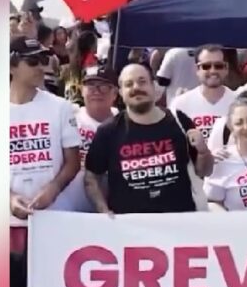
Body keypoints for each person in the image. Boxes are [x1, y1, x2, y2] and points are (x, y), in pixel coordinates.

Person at [84, 64, 213, 215]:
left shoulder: (179, 121)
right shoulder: (108, 131)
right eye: (128, 84)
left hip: (180, 223)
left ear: (153, 86)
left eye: (142, 81)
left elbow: (205, 171)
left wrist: (203, 151)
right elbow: (91, 176)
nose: (136, 87)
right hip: (130, 228)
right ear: (120, 92)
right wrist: (102, 209)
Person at [9, 36, 81, 232]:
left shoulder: (60, 107)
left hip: (55, 216)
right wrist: (9, 198)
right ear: (11, 67)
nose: (40, 68)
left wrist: (53, 189)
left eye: (42, 61)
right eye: (32, 62)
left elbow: (73, 162)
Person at [57, 64, 120, 212]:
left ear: (115, 93)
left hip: (112, 205)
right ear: (82, 90)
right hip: (70, 206)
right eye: (91, 86)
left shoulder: (124, 123)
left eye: (103, 87)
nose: (96, 92)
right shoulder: (69, 118)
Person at [169, 44, 239, 141]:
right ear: (197, 69)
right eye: (206, 66)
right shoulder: (180, 104)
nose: (213, 70)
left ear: (226, 68)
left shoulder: (238, 102)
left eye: (218, 66)